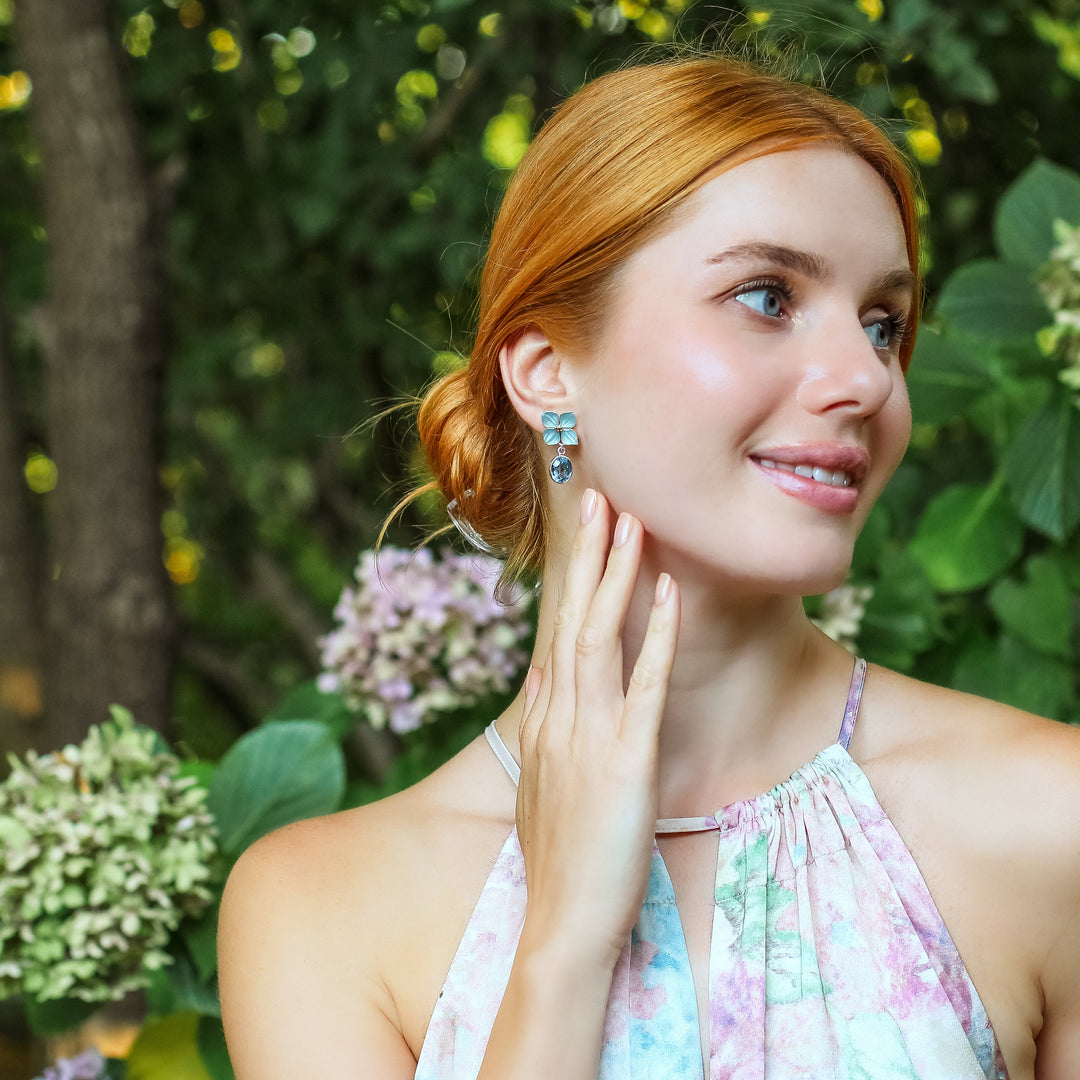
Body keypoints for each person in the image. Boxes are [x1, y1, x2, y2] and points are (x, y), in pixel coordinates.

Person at [217, 55, 1080, 1079]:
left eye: (882, 322)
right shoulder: (320, 909)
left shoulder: (1048, 818)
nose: (865, 379)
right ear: (548, 371)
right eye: (767, 296)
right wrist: (564, 947)